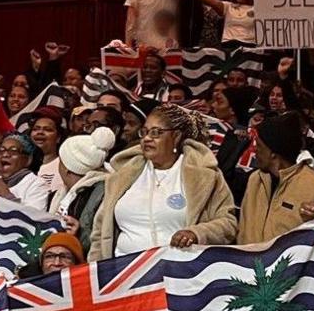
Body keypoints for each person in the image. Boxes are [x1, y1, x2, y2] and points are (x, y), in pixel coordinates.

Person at [88, 103, 236, 260]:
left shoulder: (204, 175)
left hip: (182, 273)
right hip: (126, 274)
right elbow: (100, 230)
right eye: (144, 132)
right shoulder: (122, 174)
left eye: (156, 133)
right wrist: (96, 270)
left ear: (176, 136)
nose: (147, 139)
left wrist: (196, 233)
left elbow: (228, 224)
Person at [237, 112, 314, 245]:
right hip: (246, 263)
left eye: (259, 146)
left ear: (273, 153)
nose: (254, 151)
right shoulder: (255, 179)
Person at [51, 128, 117, 255]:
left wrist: (78, 234)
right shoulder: (62, 195)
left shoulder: (103, 193)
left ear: (66, 169)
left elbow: (103, 239)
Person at [0, 132, 52, 211]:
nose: (5, 154)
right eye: (1, 150)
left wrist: (6, 195)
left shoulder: (37, 185)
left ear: (28, 160)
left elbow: (33, 219)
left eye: (13, 151)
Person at [17, 232, 86, 279]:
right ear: (41, 264)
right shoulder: (23, 290)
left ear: (77, 263)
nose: (57, 263)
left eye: (64, 257)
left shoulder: (92, 290)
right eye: (49, 256)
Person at [28, 108, 66, 194]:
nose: (40, 132)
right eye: (36, 129)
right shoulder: (21, 164)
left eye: (48, 129)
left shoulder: (63, 166)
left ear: (58, 137)